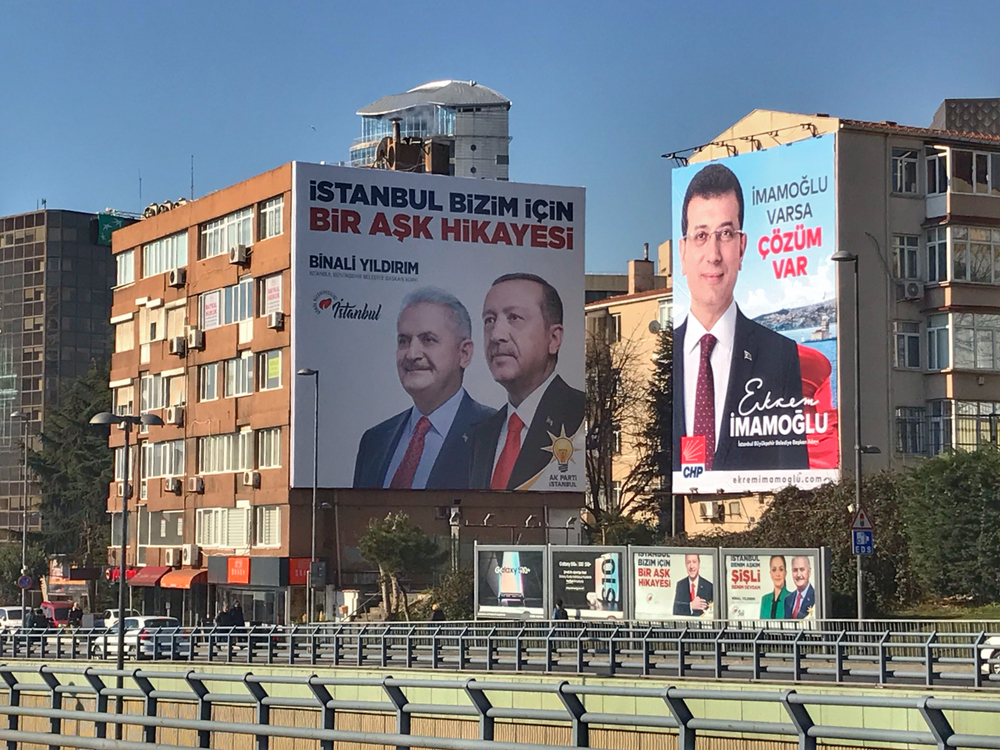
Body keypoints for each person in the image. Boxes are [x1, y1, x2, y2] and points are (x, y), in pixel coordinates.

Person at [672, 163, 809, 472]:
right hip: (681, 515)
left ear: (742, 247)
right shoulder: (667, 355)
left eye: (725, 234)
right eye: (701, 236)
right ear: (682, 252)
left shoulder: (781, 354)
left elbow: (794, 470)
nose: (714, 254)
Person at [354, 287, 493, 490]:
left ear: (464, 353)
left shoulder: (495, 433)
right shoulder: (374, 441)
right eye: (404, 341)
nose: (412, 354)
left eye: (428, 340)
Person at [469, 274, 585, 490]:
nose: (496, 335)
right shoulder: (480, 436)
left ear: (553, 339)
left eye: (514, 317)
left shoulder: (581, 416)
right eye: (489, 320)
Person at [759, 555, 789, 620]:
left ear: (785, 573)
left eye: (781, 569)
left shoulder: (792, 598)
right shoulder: (765, 599)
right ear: (770, 573)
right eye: (774, 570)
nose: (777, 574)